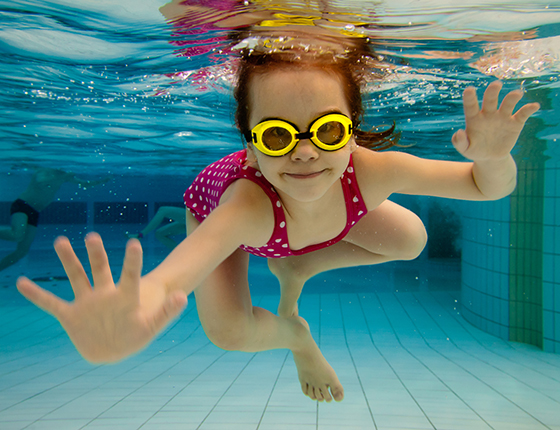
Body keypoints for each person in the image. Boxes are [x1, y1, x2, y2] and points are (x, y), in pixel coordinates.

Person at [15, 45, 539, 404]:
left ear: (353, 132)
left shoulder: (372, 170)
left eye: (328, 130)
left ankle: (300, 267)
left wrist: (493, 159)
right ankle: (295, 335)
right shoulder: (245, 206)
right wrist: (127, 325)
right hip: (234, 216)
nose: (307, 152)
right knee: (228, 331)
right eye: (277, 136)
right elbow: (172, 279)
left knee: (411, 238)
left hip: (305, 232)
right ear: (249, 143)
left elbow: (484, 185)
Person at [0, 168, 110, 272]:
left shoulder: (63, 175)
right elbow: (41, 181)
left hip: (35, 212)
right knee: (17, 235)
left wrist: (105, 179)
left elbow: (85, 184)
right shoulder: (45, 170)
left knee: (22, 252)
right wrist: (63, 177)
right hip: (23, 205)